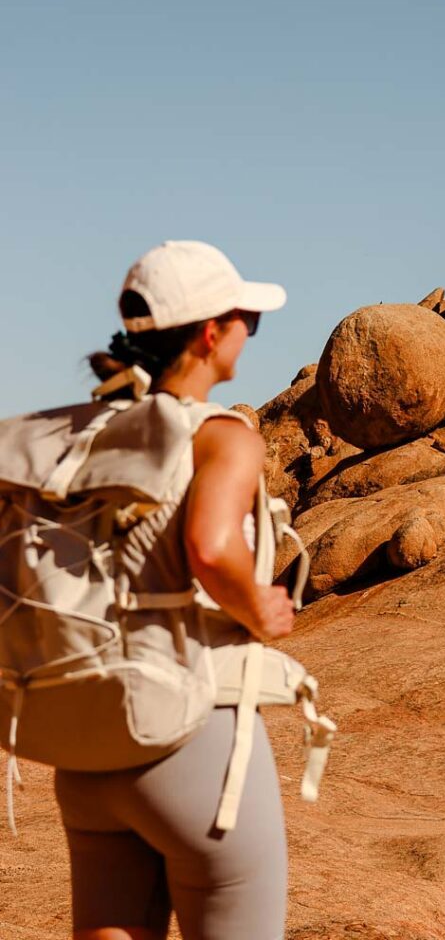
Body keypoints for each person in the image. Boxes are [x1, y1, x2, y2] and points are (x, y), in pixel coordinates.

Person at [53, 240, 296, 940]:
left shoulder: (89, 433)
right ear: (210, 333)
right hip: (189, 737)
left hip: (88, 745)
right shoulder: (220, 435)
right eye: (247, 317)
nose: (251, 332)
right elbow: (210, 546)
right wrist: (262, 610)